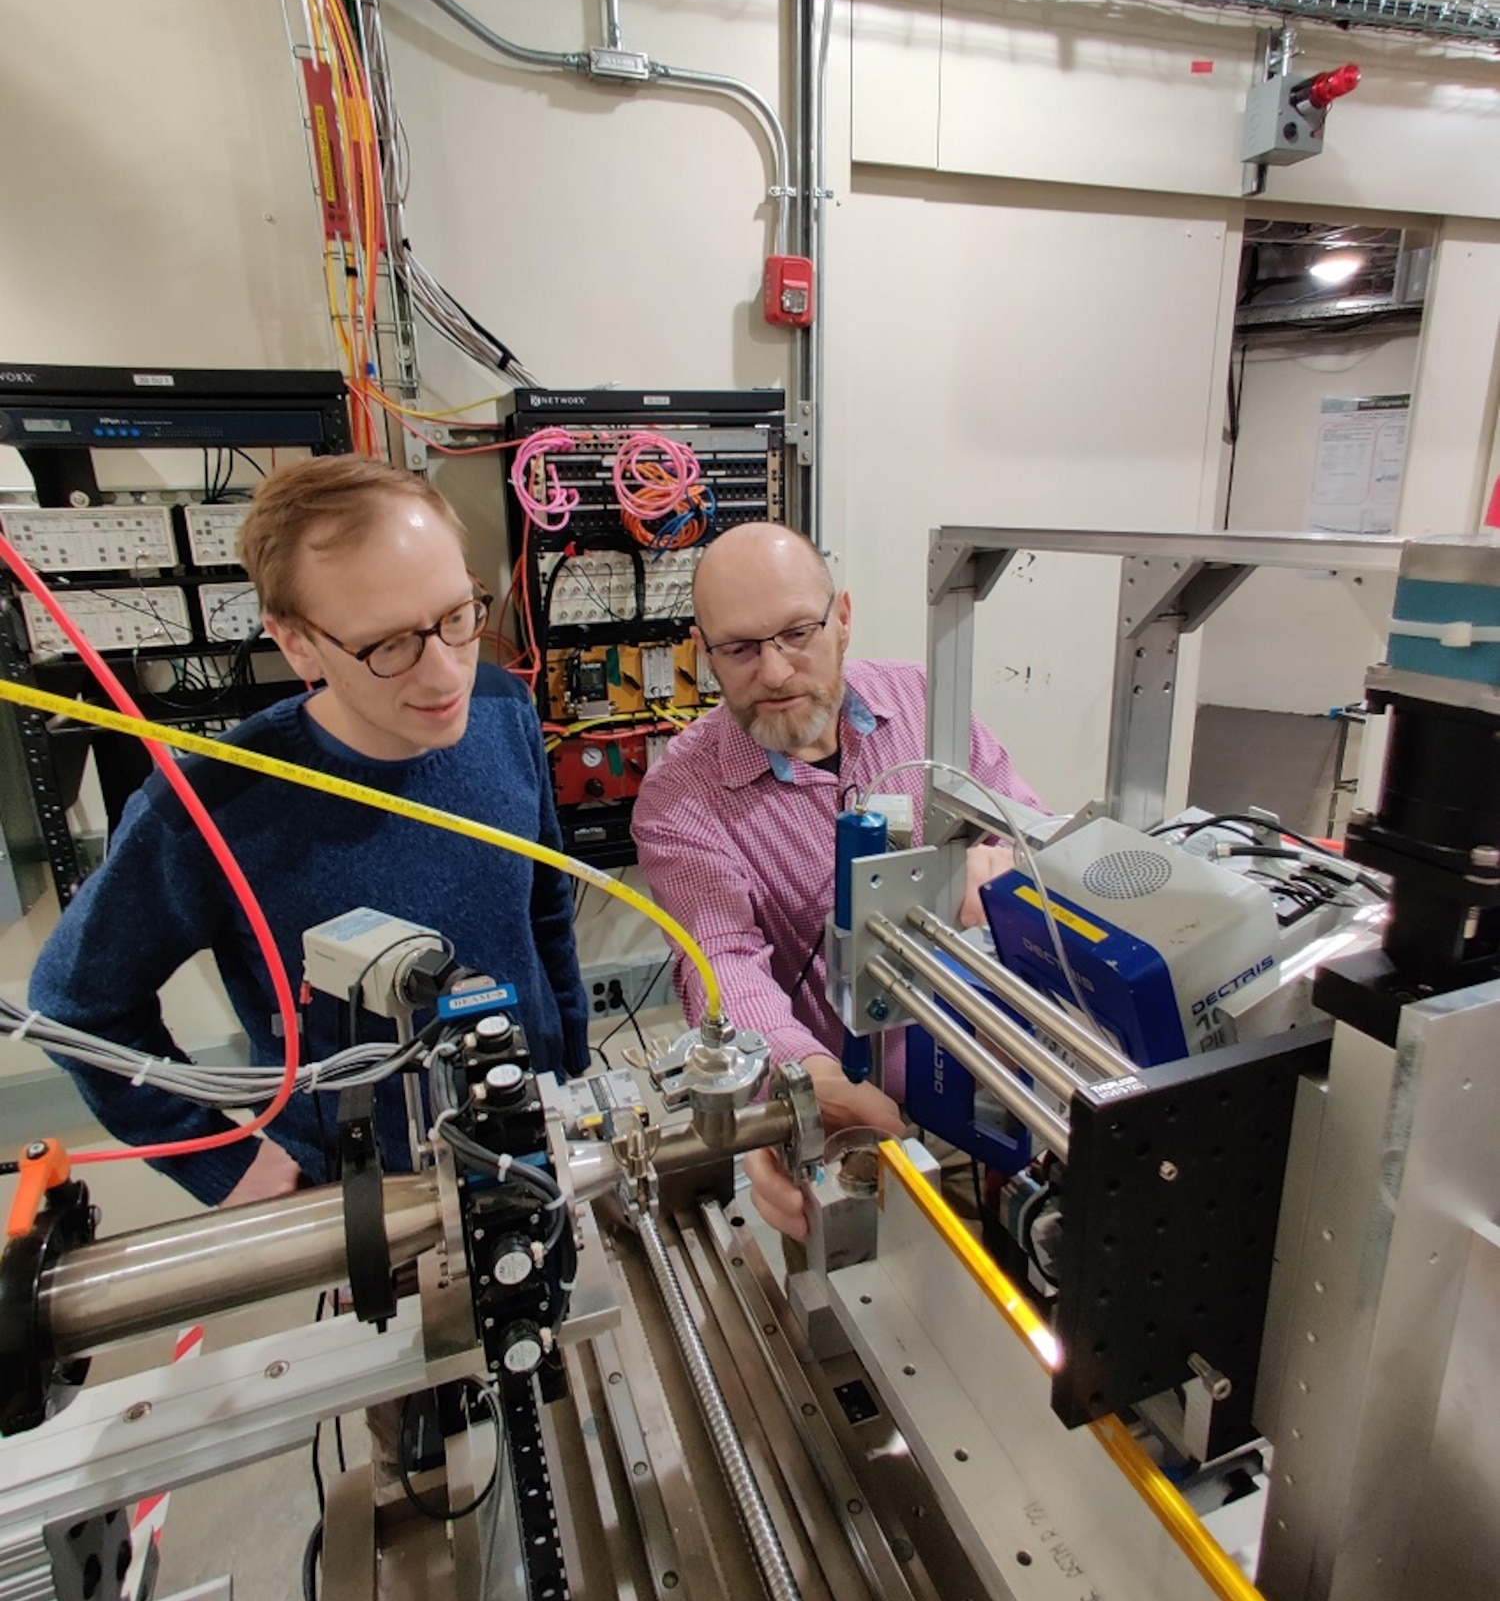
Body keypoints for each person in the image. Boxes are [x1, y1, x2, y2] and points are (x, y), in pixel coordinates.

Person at [28, 455, 588, 1207]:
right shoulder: (210, 805)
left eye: (457, 617)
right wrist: (225, 1159)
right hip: (365, 1191)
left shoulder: (501, 711)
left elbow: (543, 905)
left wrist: (571, 1067)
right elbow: (75, 1008)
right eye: (388, 645)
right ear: (296, 643)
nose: (445, 674)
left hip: (531, 1131)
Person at [632, 522, 1043, 1236]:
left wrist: (1008, 864)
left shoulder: (921, 702)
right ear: (704, 654)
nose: (776, 671)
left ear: (843, 618)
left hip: (994, 1081)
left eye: (798, 633)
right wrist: (802, 1079)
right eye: (740, 649)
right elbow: (719, 959)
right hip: (847, 1117)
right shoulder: (681, 799)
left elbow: (1025, 822)